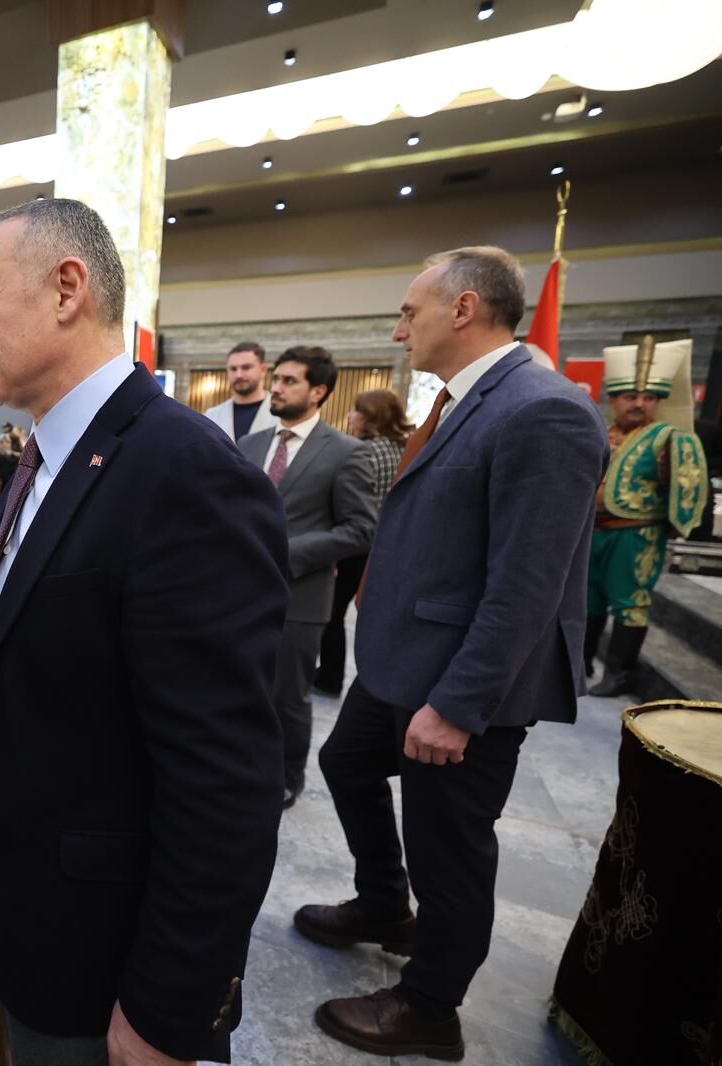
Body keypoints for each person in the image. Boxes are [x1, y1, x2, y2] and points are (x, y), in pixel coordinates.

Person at [0, 198, 289, 1065]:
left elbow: (225, 783)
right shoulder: (53, 452)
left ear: (67, 288)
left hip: (107, 951)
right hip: (34, 905)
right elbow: (21, 624)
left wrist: (165, 1011)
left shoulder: (181, 473)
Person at [295, 246, 606, 1060]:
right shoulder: (467, 400)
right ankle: (382, 903)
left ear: (464, 309)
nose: (400, 330)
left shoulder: (543, 409)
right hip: (405, 661)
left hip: (463, 682)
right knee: (349, 766)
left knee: (452, 848)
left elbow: (527, 585)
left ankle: (430, 1008)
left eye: (410, 312)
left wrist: (459, 706)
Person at [236, 346, 376, 807]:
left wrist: (287, 552)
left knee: (285, 696)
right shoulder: (252, 445)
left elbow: (360, 528)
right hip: (238, 593)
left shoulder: (345, 452)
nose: (276, 387)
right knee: (237, 685)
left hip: (301, 595)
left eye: (289, 381)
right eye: (276, 379)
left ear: (318, 391)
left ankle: (285, 775)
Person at [583, 337, 708, 696]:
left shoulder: (667, 437)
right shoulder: (601, 433)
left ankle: (619, 674)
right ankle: (582, 664)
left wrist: (674, 527)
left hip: (637, 534)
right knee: (588, 600)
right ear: (615, 398)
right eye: (630, 397)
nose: (639, 403)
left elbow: (686, 485)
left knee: (629, 603)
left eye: (648, 398)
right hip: (593, 530)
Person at [315, 389, 412, 697]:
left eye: (356, 411)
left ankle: (328, 678)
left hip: (355, 547)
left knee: (330, 614)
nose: (349, 416)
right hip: (388, 547)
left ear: (373, 417)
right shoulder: (405, 448)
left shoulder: (363, 452)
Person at [206, 342, 279, 442]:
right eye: (233, 369)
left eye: (246, 367)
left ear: (263, 370)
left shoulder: (281, 414)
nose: (238, 375)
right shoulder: (212, 416)